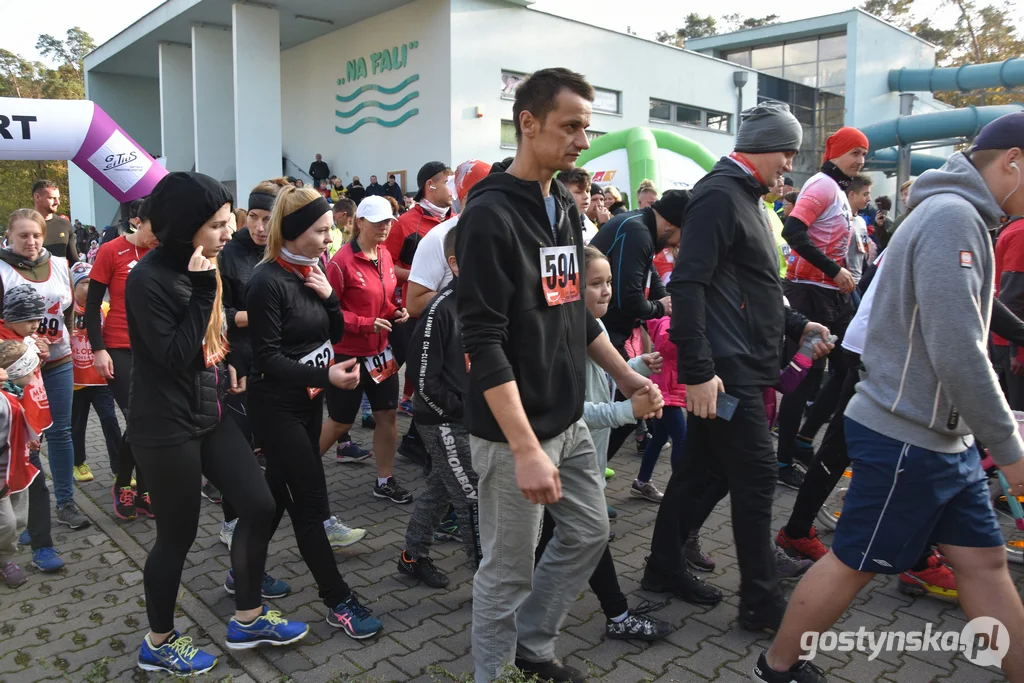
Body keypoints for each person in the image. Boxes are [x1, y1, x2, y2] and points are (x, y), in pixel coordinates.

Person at [754, 111, 1024, 683]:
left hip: (941, 436)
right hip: (909, 434)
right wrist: (1010, 447)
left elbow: (963, 326)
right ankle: (777, 666)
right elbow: (958, 348)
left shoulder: (964, 215)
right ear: (1013, 161)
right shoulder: (954, 217)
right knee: (855, 561)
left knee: (984, 563)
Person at [456, 67, 661, 683]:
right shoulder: (489, 217)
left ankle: (533, 646)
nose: (582, 139)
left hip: (568, 421)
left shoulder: (561, 208)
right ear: (528, 123)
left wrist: (626, 377)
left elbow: (573, 312)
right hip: (513, 433)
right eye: (571, 126)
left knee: (590, 531)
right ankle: (493, 673)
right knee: (507, 569)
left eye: (587, 128)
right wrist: (523, 448)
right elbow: (483, 342)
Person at [643, 102, 832, 632]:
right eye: (788, 153)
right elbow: (689, 285)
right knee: (755, 480)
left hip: (739, 366)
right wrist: (700, 372)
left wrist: (797, 327)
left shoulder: (745, 196)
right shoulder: (721, 195)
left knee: (702, 472)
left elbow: (755, 285)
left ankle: (662, 567)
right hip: (728, 373)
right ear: (766, 147)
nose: (790, 166)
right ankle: (762, 603)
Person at [126, 172, 309, 676]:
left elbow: (206, 341)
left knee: (257, 503)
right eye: (217, 224)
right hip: (164, 428)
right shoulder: (148, 279)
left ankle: (248, 617)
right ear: (187, 226)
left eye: (229, 221)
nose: (228, 232)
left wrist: (224, 357)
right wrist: (206, 289)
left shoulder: (205, 263)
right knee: (176, 538)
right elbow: (172, 355)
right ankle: (158, 642)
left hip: (208, 412)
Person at [246, 184, 381, 637]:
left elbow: (335, 330)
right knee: (308, 501)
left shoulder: (314, 269)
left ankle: (241, 570)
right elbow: (264, 358)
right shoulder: (266, 281)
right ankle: (337, 599)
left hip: (307, 402)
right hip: (276, 405)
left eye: (331, 231)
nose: (330, 240)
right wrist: (325, 378)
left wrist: (327, 297)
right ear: (296, 230)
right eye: (323, 231)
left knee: (277, 496)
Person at [533, 245, 671, 641]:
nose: (606, 291)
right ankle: (617, 616)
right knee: (589, 535)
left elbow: (606, 379)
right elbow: (573, 410)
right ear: (570, 288)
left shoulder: (597, 331)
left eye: (609, 282)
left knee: (560, 535)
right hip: (568, 457)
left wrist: (637, 367)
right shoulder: (567, 339)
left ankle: (534, 610)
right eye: (595, 284)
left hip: (584, 456)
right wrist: (628, 412)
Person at [775, 126, 868, 489]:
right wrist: (834, 269)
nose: (859, 160)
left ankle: (804, 437)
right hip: (808, 293)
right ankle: (782, 461)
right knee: (803, 379)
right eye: (853, 152)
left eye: (863, 154)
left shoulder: (840, 190)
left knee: (850, 368)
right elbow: (792, 232)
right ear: (834, 153)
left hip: (833, 296)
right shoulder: (822, 186)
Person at [397, 225, 482, 587]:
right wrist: (458, 410)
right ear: (456, 264)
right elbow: (421, 375)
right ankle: (487, 579)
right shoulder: (440, 309)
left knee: (441, 487)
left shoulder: (480, 305)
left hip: (468, 418)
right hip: (443, 421)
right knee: (471, 496)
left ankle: (412, 556)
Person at [321, 195, 412, 503]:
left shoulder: (385, 256)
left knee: (387, 414)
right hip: (348, 353)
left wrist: (395, 310)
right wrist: (364, 323)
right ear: (359, 222)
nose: (385, 227)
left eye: (389, 221)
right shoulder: (341, 262)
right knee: (340, 422)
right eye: (378, 222)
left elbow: (383, 300)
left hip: (381, 353)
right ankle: (297, 473)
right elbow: (329, 312)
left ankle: (384, 480)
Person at [0, 210, 83, 530]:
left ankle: (65, 502)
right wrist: (26, 344)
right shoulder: (3, 269)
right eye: (23, 235)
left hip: (59, 362)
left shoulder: (59, 264)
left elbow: (67, 308)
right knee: (26, 437)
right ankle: (33, 507)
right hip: (17, 369)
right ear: (9, 235)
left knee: (60, 432)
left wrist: (69, 333)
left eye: (36, 234)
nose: (31, 241)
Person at [88, 197, 159, 520]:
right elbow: (90, 308)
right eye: (154, 228)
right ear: (136, 221)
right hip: (117, 347)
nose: (159, 235)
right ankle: (123, 485)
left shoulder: (160, 253)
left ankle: (145, 490)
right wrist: (98, 349)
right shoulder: (110, 250)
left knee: (151, 421)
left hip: (154, 350)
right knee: (139, 417)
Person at [384, 161, 454, 461]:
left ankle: (415, 441)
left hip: (446, 314)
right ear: (431, 185)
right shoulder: (405, 222)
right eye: (447, 181)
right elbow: (384, 263)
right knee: (403, 372)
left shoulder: (456, 220)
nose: (453, 187)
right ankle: (365, 409)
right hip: (410, 313)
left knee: (435, 377)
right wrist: (416, 279)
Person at [405, 160, 490, 318]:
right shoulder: (439, 238)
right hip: (458, 336)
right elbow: (414, 304)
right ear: (466, 198)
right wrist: (470, 297)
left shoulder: (505, 233)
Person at [69, 262, 122, 482]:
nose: (90, 287)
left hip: (100, 378)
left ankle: (120, 467)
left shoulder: (105, 308)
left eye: (93, 282)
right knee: (77, 424)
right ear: (73, 287)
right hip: (75, 380)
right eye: (84, 283)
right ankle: (78, 463)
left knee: (110, 419)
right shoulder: (66, 309)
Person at [0, 339, 42, 588]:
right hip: (1, 473)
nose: (36, 375)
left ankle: (4, 556)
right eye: (32, 370)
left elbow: (18, 421)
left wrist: (30, 438)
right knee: (6, 522)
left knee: (19, 518)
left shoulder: (15, 395)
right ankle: (4, 560)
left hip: (17, 468)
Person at [31, 180, 79, 262]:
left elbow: (73, 261)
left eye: (58, 198)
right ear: (37, 197)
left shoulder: (65, 224)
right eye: (52, 198)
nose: (57, 202)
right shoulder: (24, 226)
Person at [844, 175, 874, 286]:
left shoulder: (861, 221)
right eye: (865, 194)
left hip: (858, 282)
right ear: (852, 194)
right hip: (843, 284)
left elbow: (863, 254)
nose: (869, 198)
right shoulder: (840, 219)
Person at [557, 167, 598, 244]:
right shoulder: (555, 225)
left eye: (588, 191)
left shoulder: (591, 227)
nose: (586, 196)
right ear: (563, 193)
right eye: (579, 192)